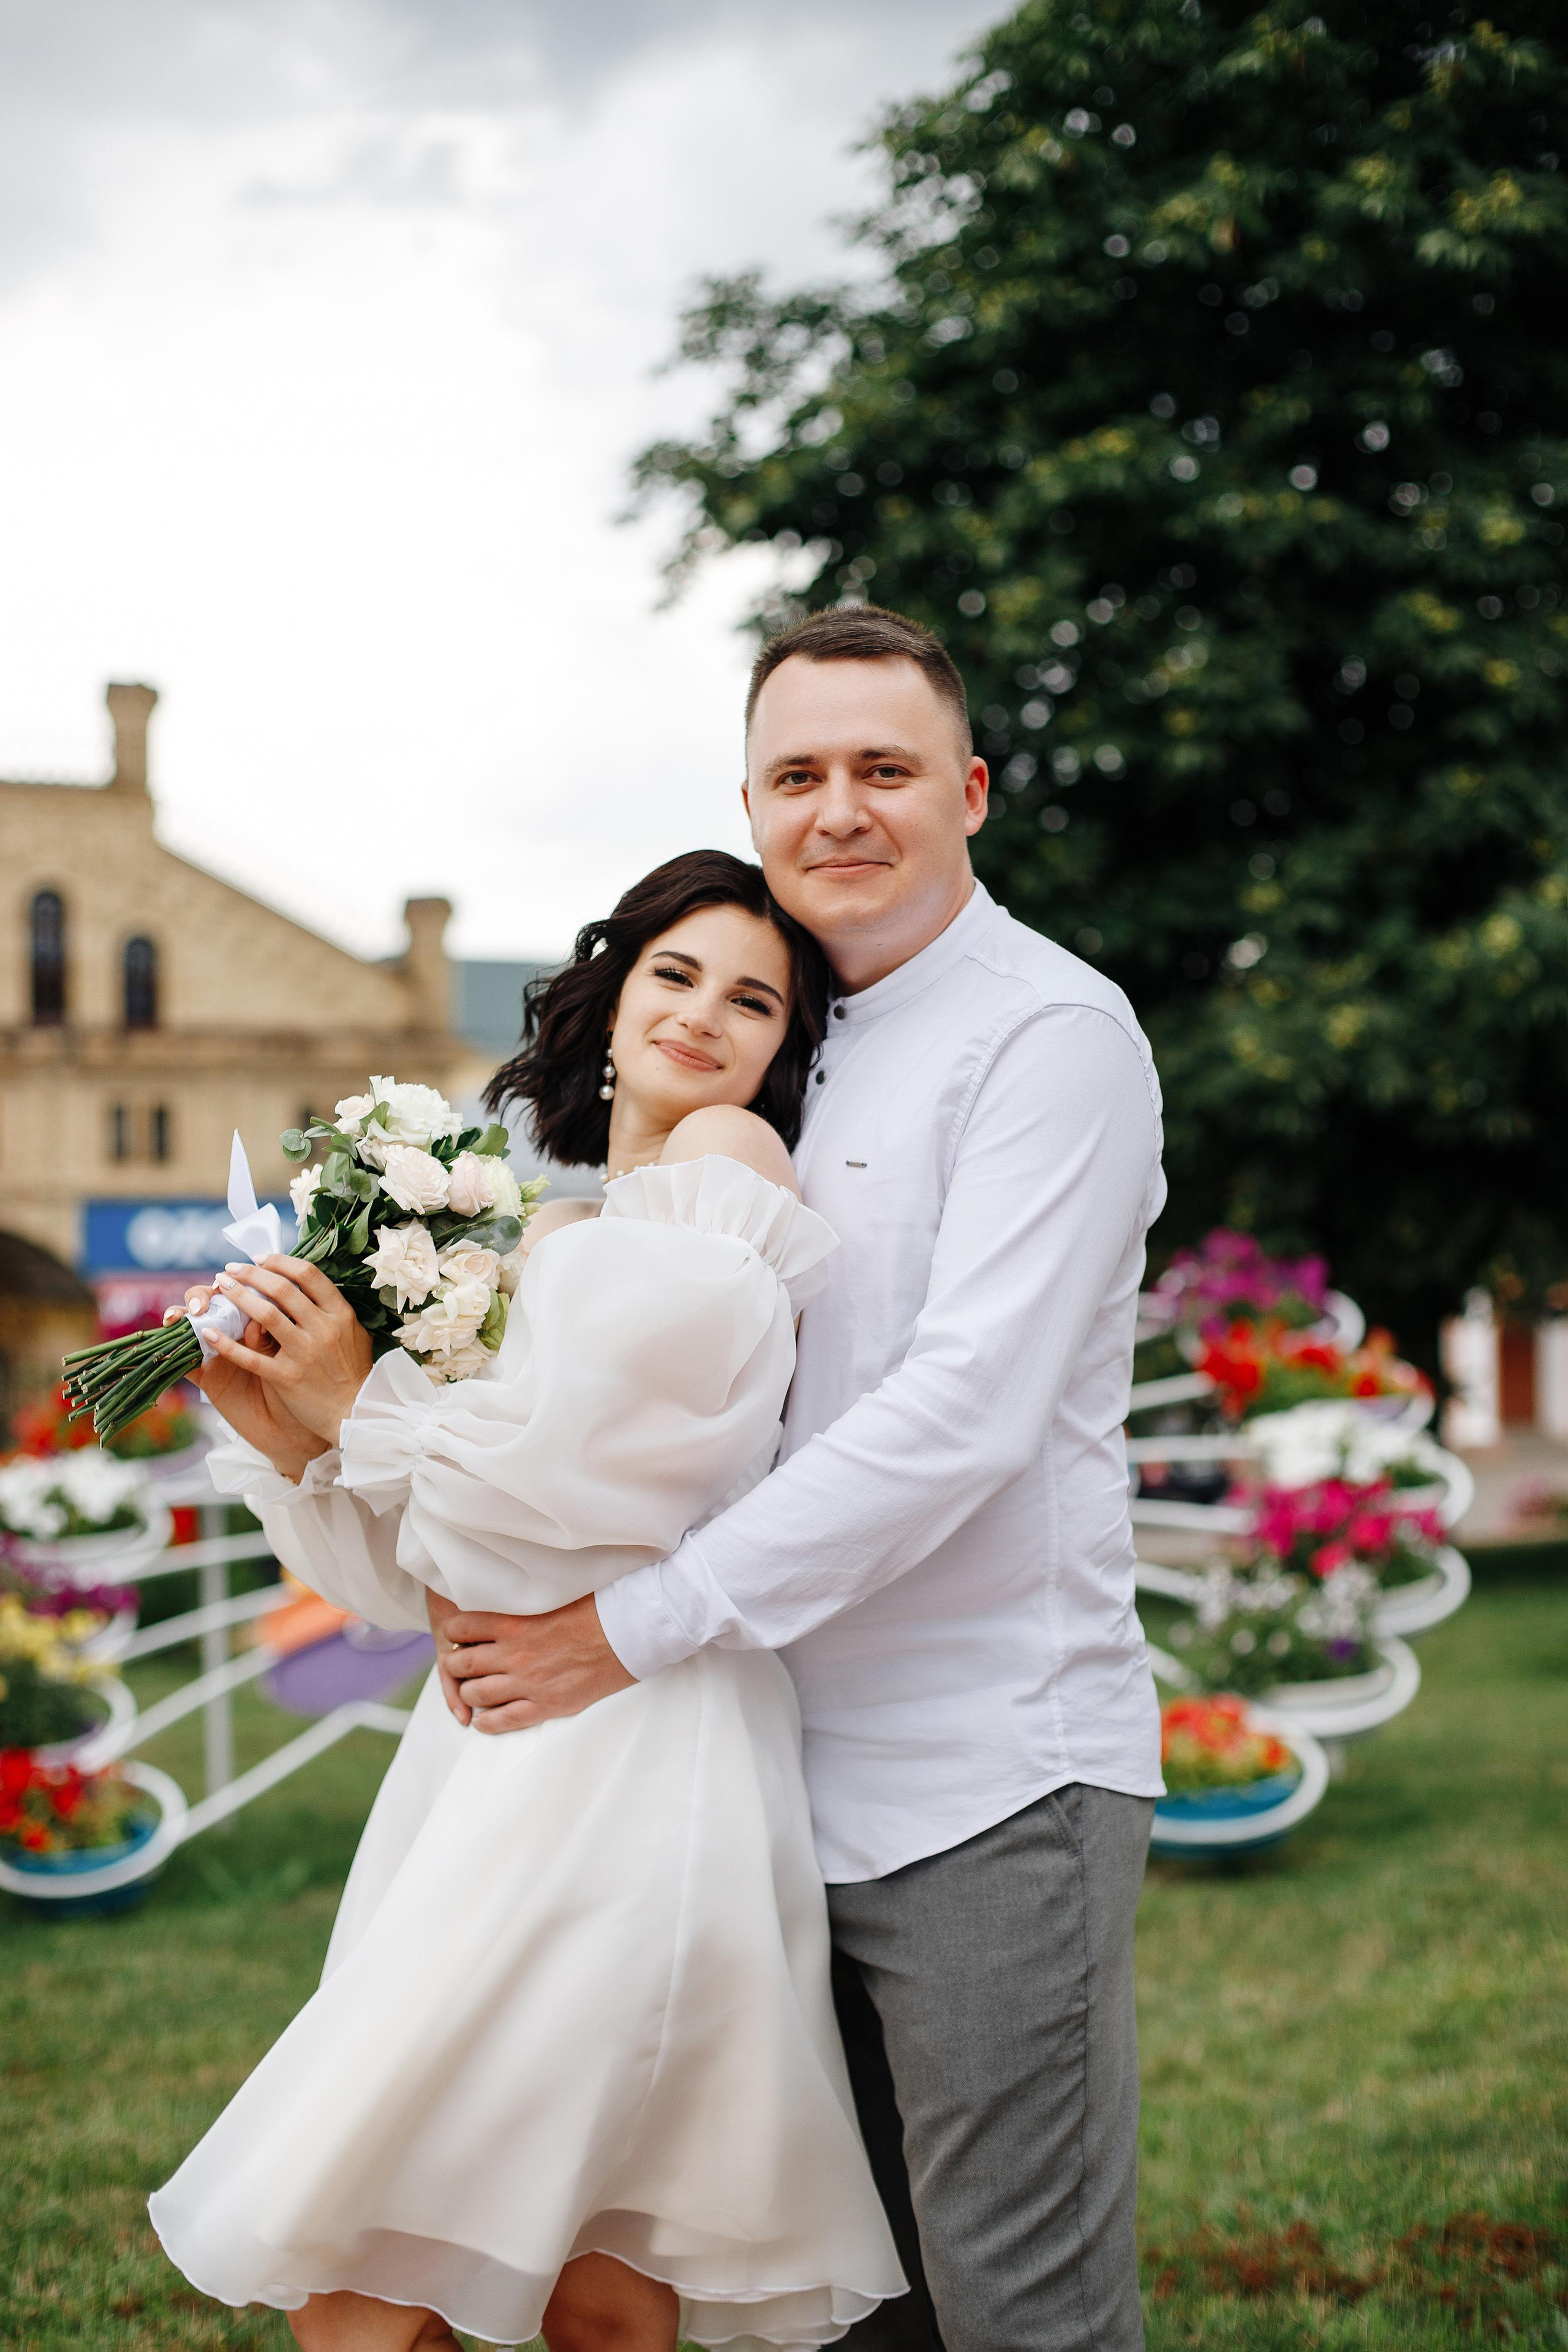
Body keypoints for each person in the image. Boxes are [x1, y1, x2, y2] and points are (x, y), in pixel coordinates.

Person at [433, 606, 1167, 2352]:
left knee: (1016, 2309)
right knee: (824, 2311)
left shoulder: (1051, 1037)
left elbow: (965, 1412)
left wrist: (630, 1628)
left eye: (883, 769)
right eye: (797, 775)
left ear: (968, 792)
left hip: (981, 1773)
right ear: (754, 803)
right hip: (750, 1774)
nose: (838, 809)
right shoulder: (779, 1043)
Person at [148, 850, 907, 2352]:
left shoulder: (732, 1171)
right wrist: (292, 1430)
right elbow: (424, 1576)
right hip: (495, 1751)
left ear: (782, 1051)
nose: (702, 1016)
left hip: (634, 1747)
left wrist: (358, 1404)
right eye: (674, 974)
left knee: (370, 2280)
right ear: (611, 996)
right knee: (597, 2283)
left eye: (752, 1002)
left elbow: (585, 1485)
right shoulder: (556, 1232)